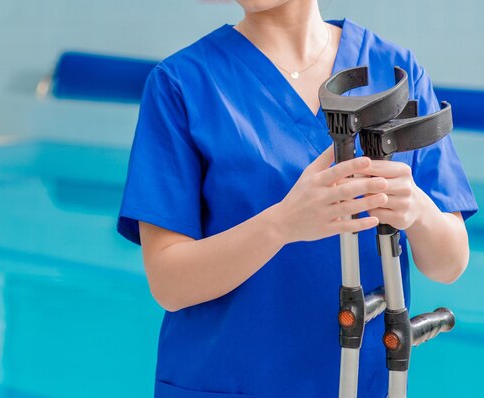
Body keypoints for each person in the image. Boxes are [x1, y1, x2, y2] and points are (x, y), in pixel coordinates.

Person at [116, 1, 479, 396]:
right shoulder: (182, 84)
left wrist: (417, 209)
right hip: (228, 381)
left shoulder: (390, 73)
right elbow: (169, 283)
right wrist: (283, 224)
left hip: (361, 382)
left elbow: (450, 262)